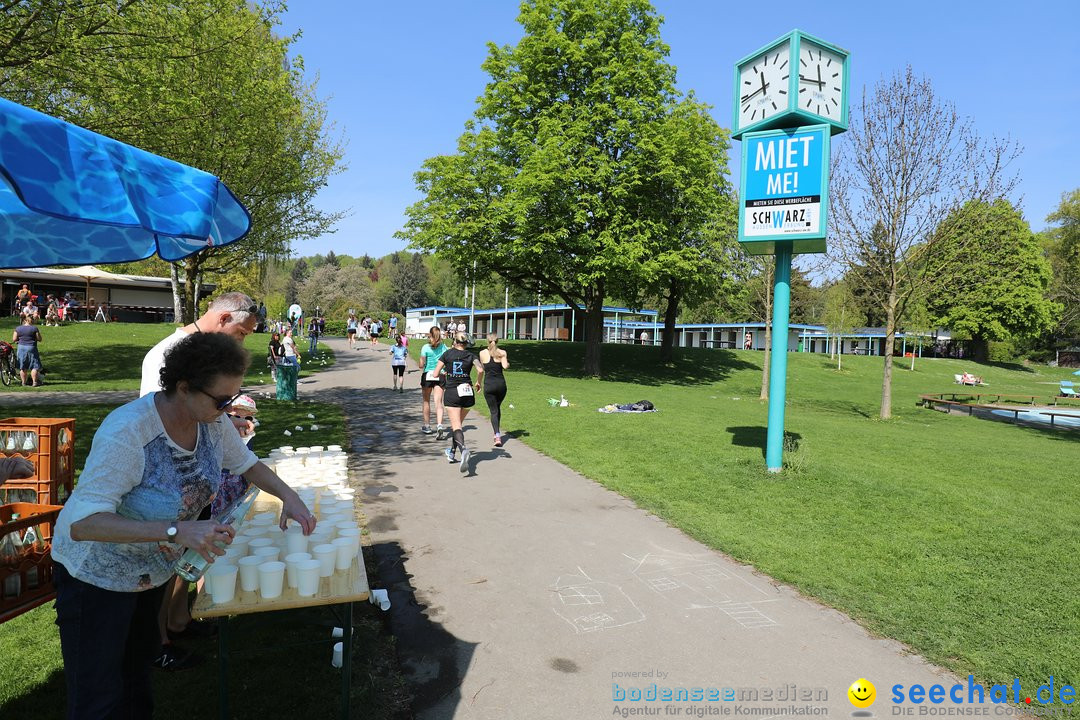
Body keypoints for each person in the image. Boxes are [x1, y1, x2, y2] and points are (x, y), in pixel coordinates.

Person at [52, 332, 316, 718]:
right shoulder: (128, 432)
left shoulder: (211, 421)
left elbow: (246, 463)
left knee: (136, 679)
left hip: (147, 573)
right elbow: (83, 524)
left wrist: (288, 497)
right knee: (98, 695)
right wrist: (178, 530)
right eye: (221, 399)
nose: (229, 408)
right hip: (95, 576)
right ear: (183, 386)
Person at [139, 292, 258, 668]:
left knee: (189, 556)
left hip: (198, 475)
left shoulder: (207, 351)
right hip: (169, 481)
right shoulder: (170, 352)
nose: (240, 341)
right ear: (222, 319)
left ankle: (179, 619)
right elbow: (159, 419)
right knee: (163, 560)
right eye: (240, 333)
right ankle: (157, 643)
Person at [434, 332, 484, 472]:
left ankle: (463, 451)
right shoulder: (471, 355)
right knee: (458, 426)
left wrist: (445, 372)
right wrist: (478, 383)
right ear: (466, 343)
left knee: (456, 426)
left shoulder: (447, 354)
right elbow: (480, 370)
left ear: (454, 341)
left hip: (453, 392)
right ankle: (451, 452)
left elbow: (436, 373)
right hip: (468, 392)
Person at [479, 335, 510, 447]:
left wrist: (478, 382)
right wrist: (507, 363)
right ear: (497, 341)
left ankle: (497, 435)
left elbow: (482, 369)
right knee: (497, 408)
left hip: (489, 385)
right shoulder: (502, 352)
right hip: (501, 385)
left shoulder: (482, 353)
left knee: (493, 411)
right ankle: (496, 433)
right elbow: (505, 366)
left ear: (487, 341)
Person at [418, 326, 447, 438]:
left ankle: (427, 426)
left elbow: (421, 365)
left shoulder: (425, 347)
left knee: (426, 401)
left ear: (430, 335)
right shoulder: (444, 347)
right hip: (440, 375)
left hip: (428, 375)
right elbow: (448, 361)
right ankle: (439, 425)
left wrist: (423, 363)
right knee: (438, 402)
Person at [12, 313, 43, 387]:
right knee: (34, 365)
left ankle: (23, 383)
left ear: (24, 320)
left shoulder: (18, 328)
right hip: (31, 347)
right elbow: (39, 339)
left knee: (23, 366)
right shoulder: (34, 328)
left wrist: (18, 340)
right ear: (31, 321)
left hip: (21, 347)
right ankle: (34, 382)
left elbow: (14, 339)